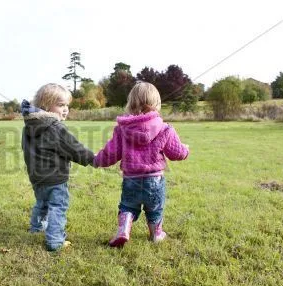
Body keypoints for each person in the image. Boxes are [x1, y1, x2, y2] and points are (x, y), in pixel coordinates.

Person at [94, 81, 189, 247]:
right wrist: (185, 150)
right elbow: (176, 153)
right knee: (155, 208)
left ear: (131, 103)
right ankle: (156, 234)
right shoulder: (165, 128)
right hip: (155, 180)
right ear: (156, 104)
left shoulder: (122, 129)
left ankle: (124, 228)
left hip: (131, 179)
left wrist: (97, 159)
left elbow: (111, 153)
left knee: (127, 206)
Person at [21, 83, 95, 251]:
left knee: (42, 203)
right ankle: (55, 241)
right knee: (57, 207)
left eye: (67, 105)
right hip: (55, 177)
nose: (66, 109)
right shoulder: (55, 127)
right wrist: (92, 159)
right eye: (61, 105)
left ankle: (36, 228)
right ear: (47, 105)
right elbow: (74, 148)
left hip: (36, 176)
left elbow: (25, 148)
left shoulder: (29, 126)